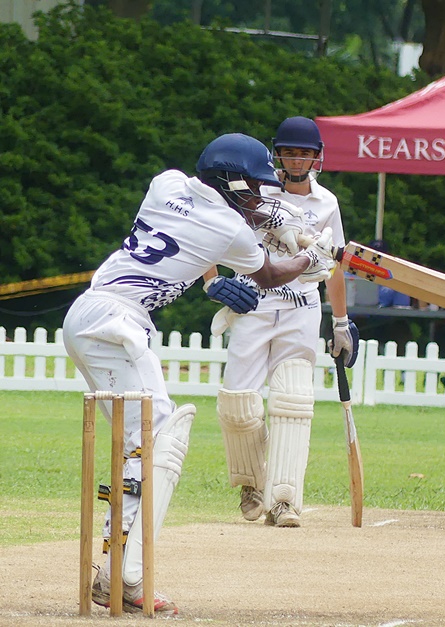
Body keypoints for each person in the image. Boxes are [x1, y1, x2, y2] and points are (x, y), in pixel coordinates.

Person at [63, 132, 336, 614]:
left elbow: (229, 217)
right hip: (118, 324)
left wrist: (271, 222)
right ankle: (125, 576)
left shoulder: (164, 183)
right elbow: (270, 273)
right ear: (230, 182)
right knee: (161, 436)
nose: (256, 196)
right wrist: (309, 257)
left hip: (87, 314)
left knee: (136, 446)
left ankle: (116, 574)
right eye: (251, 186)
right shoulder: (226, 229)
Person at [202, 117, 357, 529]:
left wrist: (340, 321)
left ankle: (284, 499)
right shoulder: (253, 189)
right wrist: (213, 280)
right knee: (238, 402)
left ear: (317, 158)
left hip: (301, 308)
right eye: (290, 152)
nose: (296, 159)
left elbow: (335, 266)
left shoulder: (327, 204)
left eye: (304, 153)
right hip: (251, 301)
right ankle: (251, 485)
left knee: (292, 402)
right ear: (277, 154)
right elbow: (208, 230)